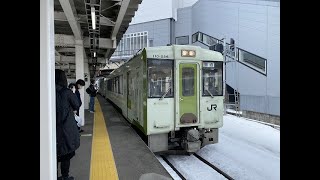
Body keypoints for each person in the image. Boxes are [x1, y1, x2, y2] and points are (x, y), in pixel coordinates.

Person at [55, 69, 80, 180]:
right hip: (66, 128)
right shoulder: (67, 92)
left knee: (53, 154)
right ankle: (65, 176)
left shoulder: (47, 90)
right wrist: (73, 92)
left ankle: (53, 175)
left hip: (52, 129)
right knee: (66, 153)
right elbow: (77, 104)